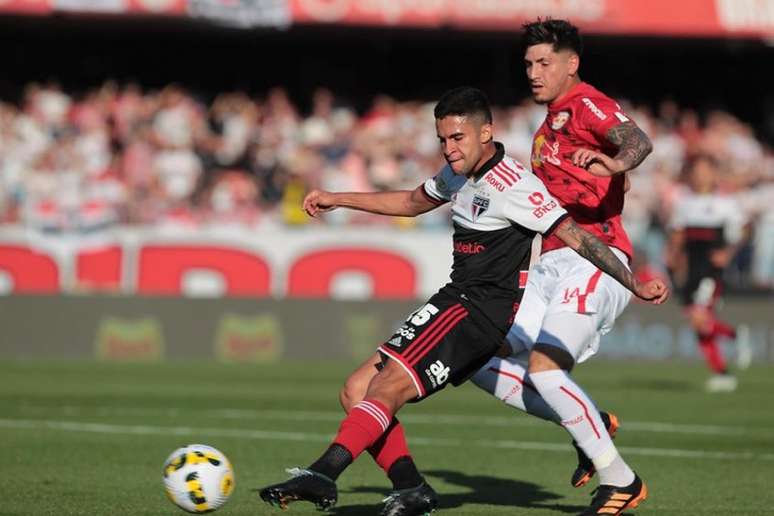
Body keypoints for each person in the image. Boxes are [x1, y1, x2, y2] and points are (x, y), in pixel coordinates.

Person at [258, 86, 669, 515]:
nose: (449, 149)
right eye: (443, 139)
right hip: (456, 302)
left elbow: (577, 236)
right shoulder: (457, 174)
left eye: (458, 138)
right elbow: (412, 202)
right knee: (356, 390)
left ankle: (322, 473)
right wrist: (338, 198)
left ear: (486, 132)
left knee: (386, 388)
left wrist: (634, 282)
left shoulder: (515, 186)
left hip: (474, 313)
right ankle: (411, 488)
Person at [470, 19, 656, 515]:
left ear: (571, 64)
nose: (533, 72)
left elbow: (634, 138)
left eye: (544, 62)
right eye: (528, 63)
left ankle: (621, 480)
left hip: (594, 258)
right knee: (476, 357)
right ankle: (589, 420)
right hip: (550, 263)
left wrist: (618, 165)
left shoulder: (584, 104)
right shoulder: (544, 127)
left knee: (546, 370)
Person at [666, 154, 750, 392]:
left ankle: (735, 338)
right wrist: (673, 256)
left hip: (711, 270)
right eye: (697, 170)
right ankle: (723, 372)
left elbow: (745, 229)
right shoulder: (684, 202)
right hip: (691, 269)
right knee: (699, 326)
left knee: (699, 318)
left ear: (714, 173)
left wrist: (729, 252)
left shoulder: (726, 202)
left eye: (705, 170)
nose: (701, 174)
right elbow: (678, 234)